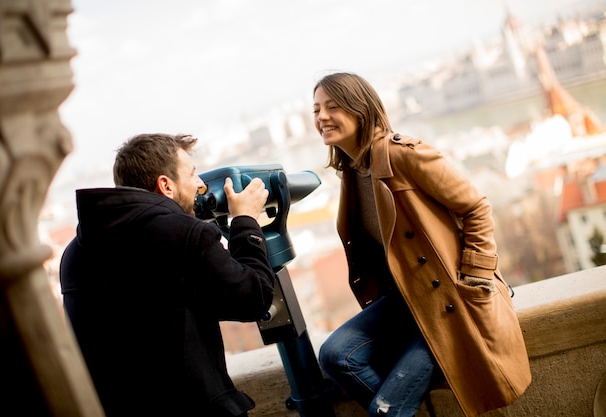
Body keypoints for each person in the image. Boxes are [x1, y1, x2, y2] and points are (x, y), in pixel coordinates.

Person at [312, 72, 531, 417]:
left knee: (387, 411)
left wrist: (475, 276)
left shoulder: (403, 155)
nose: (321, 117)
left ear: (360, 109)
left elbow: (476, 206)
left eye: (332, 106)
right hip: (403, 300)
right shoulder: (353, 173)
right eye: (316, 110)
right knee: (335, 355)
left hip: (447, 304)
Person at [59, 133, 275, 417]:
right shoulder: (184, 236)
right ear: (165, 185)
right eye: (193, 174)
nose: (200, 184)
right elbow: (253, 298)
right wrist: (245, 222)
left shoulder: (75, 253)